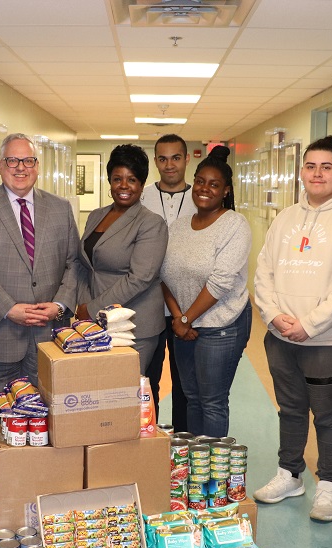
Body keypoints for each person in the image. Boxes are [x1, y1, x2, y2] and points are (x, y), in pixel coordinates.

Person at [252, 136, 332, 522]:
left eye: (327, 167)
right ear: (301, 171)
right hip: (281, 338)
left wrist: (311, 325)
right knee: (290, 409)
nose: (318, 174)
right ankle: (290, 474)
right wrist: (271, 315)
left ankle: (329, 485)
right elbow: (263, 271)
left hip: (328, 341)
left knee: (329, 415)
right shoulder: (285, 218)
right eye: (311, 166)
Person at [0, 133, 81, 424]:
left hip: (49, 335)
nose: (20, 167)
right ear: (0, 166)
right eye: (12, 160)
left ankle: (40, 471)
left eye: (27, 160)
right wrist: (7, 308)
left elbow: (74, 264)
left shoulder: (60, 208)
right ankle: (1, 469)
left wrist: (60, 305)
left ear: (37, 166)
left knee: (48, 418)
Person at [160, 146, 251, 438]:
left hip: (220, 326)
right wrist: (178, 318)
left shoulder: (234, 225)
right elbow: (162, 275)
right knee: (192, 399)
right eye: (200, 181)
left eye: (214, 184)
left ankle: (213, 480)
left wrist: (185, 320)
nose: (204, 189)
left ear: (225, 191)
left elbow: (220, 282)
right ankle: (194, 468)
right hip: (183, 325)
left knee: (212, 402)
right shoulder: (179, 227)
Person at [75, 144, 168, 374]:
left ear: (142, 183)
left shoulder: (151, 223)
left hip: (134, 326)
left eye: (132, 179)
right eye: (117, 179)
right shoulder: (96, 216)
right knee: (98, 391)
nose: (124, 186)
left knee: (126, 395)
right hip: (94, 323)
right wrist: (83, 306)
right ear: (109, 181)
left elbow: (140, 278)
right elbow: (86, 266)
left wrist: (93, 308)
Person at [141, 134, 197, 430]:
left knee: (184, 382)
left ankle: (182, 444)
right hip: (148, 304)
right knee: (147, 381)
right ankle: (149, 442)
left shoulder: (199, 197)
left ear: (187, 159)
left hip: (187, 307)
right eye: (162, 159)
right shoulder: (143, 196)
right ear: (155, 162)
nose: (169, 165)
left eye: (176, 157)